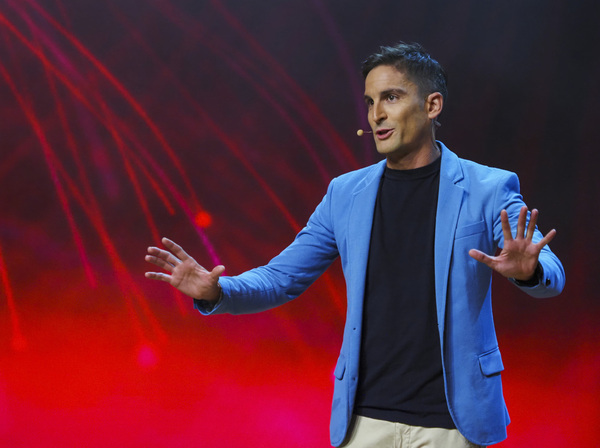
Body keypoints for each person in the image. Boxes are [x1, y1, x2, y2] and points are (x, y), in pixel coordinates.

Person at [145, 43, 565, 448]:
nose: (376, 114)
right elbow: (281, 278)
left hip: (451, 424)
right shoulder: (345, 194)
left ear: (432, 105)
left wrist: (530, 272)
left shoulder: (489, 187)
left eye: (391, 97)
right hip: (364, 422)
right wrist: (218, 291)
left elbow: (551, 272)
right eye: (369, 101)